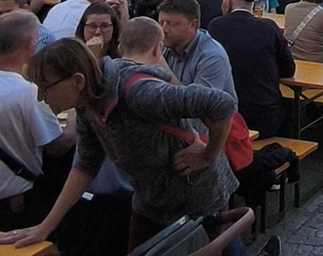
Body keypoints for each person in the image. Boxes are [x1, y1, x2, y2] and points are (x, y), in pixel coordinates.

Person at [0, 37, 239, 253]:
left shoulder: (137, 92)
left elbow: (221, 104)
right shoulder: (86, 105)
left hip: (196, 199)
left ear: (77, 81)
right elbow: (85, 165)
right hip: (150, 201)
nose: (40, 96)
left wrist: (208, 154)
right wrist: (44, 227)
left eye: (45, 87)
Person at [0, 12, 75, 232]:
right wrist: (75, 119)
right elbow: (57, 145)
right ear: (30, 44)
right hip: (15, 200)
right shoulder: (27, 92)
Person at [208, 0, 295, 138]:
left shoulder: (216, 26)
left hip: (228, 116)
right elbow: (288, 70)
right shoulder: (269, 27)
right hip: (264, 116)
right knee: (288, 108)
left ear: (227, 2)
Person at [159, 0, 236, 100]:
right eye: (161, 22)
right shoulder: (165, 46)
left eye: (172, 24)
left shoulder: (212, 56)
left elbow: (199, 104)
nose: (164, 29)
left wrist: (161, 66)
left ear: (193, 25)